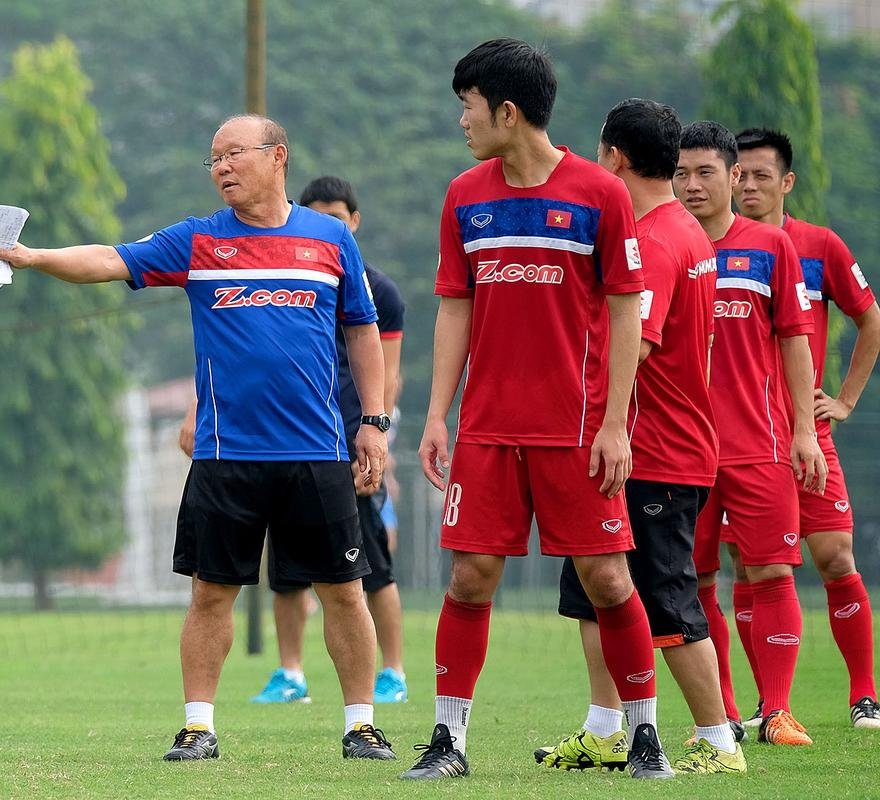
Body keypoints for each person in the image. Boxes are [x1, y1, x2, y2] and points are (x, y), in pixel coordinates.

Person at [0, 114, 394, 763]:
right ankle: (198, 726)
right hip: (224, 454)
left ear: (277, 156)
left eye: (234, 154)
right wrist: (33, 257)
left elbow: (363, 332)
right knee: (210, 593)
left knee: (343, 592)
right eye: (213, 159)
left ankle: (361, 726)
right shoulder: (199, 239)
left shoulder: (329, 238)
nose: (222, 168)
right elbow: (109, 259)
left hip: (317, 453)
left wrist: (373, 423)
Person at [402, 39, 670, 781]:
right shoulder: (465, 194)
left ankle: (645, 736)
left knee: (609, 581)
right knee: (469, 579)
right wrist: (435, 416)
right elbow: (454, 306)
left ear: (507, 111)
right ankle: (448, 743)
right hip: (487, 429)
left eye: (469, 105)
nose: (462, 119)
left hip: (579, 429)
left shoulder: (600, 193)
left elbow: (625, 311)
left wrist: (617, 421)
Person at [534, 99, 744, 775]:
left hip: (653, 451)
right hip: (631, 447)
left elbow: (639, 346)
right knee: (593, 592)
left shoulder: (653, 241)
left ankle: (719, 740)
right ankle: (604, 732)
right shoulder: (683, 228)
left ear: (614, 157)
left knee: (666, 600)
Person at [674, 121, 826, 747]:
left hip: (759, 444)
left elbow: (794, 338)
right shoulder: (662, 245)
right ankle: (727, 713)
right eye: (680, 173)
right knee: (696, 580)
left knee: (772, 574)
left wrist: (804, 431)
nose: (690, 185)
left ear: (733, 177)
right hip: (683, 448)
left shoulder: (769, 245)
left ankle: (778, 710)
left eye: (704, 172)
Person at [731, 127, 880, 729]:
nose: (749, 186)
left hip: (801, 431)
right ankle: (768, 706)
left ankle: (864, 693)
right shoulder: (713, 244)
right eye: (740, 174)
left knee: (835, 555)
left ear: (786, 182)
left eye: (762, 175)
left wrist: (841, 402)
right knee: (749, 565)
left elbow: (870, 321)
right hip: (739, 435)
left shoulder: (819, 245)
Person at [240, 175, 409, 706]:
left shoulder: (378, 290)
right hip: (292, 442)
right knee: (287, 570)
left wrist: (377, 439)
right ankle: (290, 673)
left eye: (337, 218)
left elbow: (389, 374)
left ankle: (394, 672)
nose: (328, 227)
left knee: (371, 569)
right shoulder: (286, 270)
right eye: (317, 216)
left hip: (350, 446)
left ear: (353, 222)